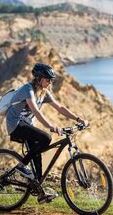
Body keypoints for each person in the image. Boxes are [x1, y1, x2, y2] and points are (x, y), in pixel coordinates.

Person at [6, 63, 89, 204]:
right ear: (39, 79)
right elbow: (36, 112)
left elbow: (60, 107)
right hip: (16, 125)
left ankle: (40, 193)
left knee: (37, 156)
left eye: (51, 80)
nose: (50, 82)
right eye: (48, 79)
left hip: (27, 125)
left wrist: (78, 119)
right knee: (46, 138)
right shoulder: (28, 89)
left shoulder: (44, 92)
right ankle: (21, 167)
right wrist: (51, 126)